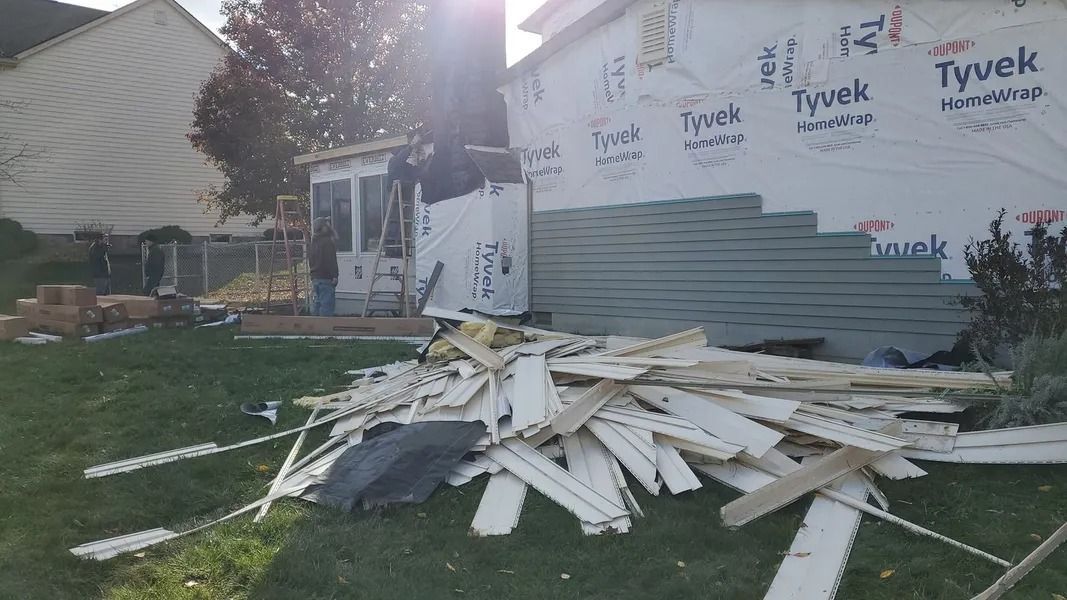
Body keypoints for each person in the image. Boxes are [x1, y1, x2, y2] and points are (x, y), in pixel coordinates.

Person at [308, 217, 339, 316]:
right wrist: (334, 275)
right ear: (323, 227)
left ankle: (315, 328)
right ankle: (325, 328)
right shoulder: (327, 242)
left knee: (317, 303)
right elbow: (330, 260)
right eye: (327, 224)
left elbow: (311, 260)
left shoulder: (313, 242)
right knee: (327, 305)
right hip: (326, 278)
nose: (329, 226)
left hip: (315, 277)